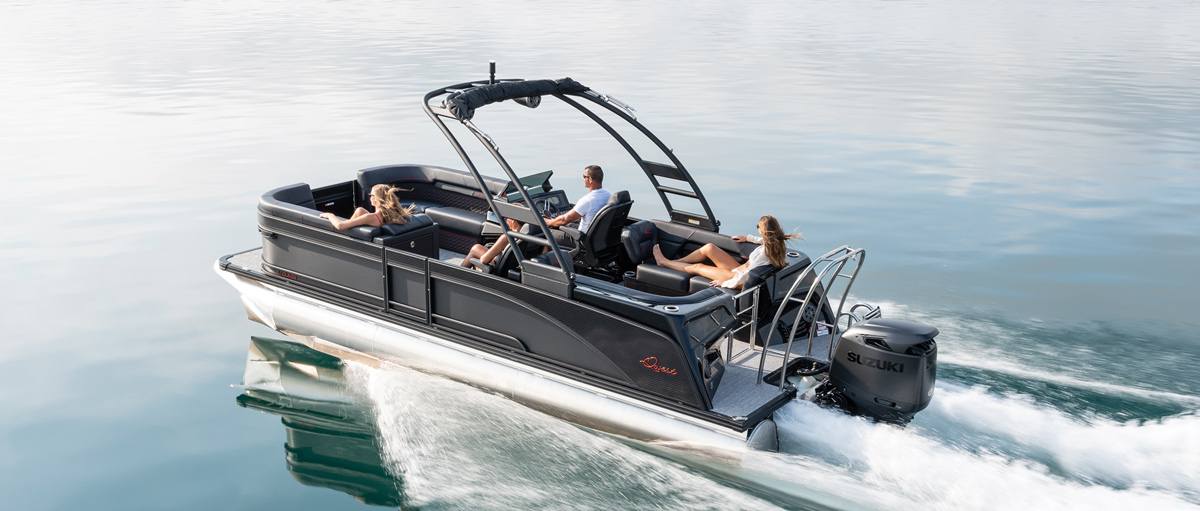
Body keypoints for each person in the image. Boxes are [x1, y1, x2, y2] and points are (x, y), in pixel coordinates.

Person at [652, 215, 801, 289]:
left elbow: (748, 276)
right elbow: (762, 241)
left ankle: (664, 262)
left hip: (737, 277)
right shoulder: (776, 243)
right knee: (709, 247)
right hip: (737, 269)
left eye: (758, 227)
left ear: (763, 230)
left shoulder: (764, 255)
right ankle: (676, 263)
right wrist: (748, 238)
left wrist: (726, 283)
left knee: (697, 267)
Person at [545, 165, 611, 246]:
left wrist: (548, 222)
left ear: (590, 179)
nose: (582, 179)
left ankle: (547, 257)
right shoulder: (608, 195)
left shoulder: (587, 200)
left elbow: (564, 219)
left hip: (581, 240)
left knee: (548, 233)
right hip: (597, 237)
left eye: (584, 176)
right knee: (567, 225)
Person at [319, 184, 414, 230]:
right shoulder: (392, 215)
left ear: (377, 199)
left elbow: (340, 226)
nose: (370, 197)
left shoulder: (371, 217)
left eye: (372, 195)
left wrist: (329, 215)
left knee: (354, 216)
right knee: (360, 210)